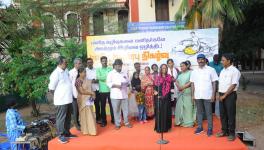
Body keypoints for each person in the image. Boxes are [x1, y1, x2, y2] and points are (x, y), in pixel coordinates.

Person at [48, 56, 77, 144]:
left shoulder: (66, 70)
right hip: (61, 101)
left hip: (68, 99)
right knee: (61, 118)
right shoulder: (55, 74)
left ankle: (67, 133)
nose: (67, 64)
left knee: (68, 117)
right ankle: (60, 136)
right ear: (60, 63)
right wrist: (59, 96)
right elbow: (51, 89)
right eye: (65, 62)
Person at [190, 54, 218, 137]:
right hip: (198, 95)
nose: (201, 61)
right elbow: (192, 83)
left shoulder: (211, 70)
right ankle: (200, 127)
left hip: (208, 95)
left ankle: (210, 128)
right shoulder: (194, 71)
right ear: (197, 61)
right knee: (199, 112)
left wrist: (213, 94)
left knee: (209, 112)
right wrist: (192, 95)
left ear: (205, 60)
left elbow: (214, 82)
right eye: (199, 59)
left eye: (202, 59)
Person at [216, 53, 241, 141]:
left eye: (223, 60)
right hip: (221, 94)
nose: (221, 61)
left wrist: (225, 95)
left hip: (230, 95)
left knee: (230, 114)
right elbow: (221, 84)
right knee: (223, 114)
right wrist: (219, 95)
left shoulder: (235, 71)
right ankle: (224, 131)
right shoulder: (223, 71)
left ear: (229, 61)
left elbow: (233, 85)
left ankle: (231, 133)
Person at [106, 59, 132, 130]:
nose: (119, 67)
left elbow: (128, 81)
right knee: (116, 110)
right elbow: (108, 83)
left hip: (124, 94)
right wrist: (116, 86)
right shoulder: (110, 73)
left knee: (126, 109)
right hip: (115, 95)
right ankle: (117, 124)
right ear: (114, 66)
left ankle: (126, 122)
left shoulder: (124, 73)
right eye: (117, 65)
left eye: (120, 65)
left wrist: (127, 84)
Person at [75, 67, 97, 135]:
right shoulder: (78, 81)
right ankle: (85, 130)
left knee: (90, 114)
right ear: (79, 73)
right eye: (84, 72)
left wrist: (93, 94)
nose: (85, 73)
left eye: (85, 72)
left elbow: (91, 89)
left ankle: (92, 130)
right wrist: (91, 93)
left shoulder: (87, 80)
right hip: (82, 99)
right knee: (84, 115)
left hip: (89, 100)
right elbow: (81, 91)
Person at [175, 62, 195, 127]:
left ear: (187, 66)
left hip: (188, 93)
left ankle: (189, 122)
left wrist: (183, 87)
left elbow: (191, 81)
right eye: (180, 66)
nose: (181, 67)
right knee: (180, 108)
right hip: (181, 93)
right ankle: (180, 121)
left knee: (188, 108)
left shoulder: (191, 73)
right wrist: (178, 86)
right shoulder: (180, 75)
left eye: (183, 66)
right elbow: (176, 81)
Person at [96, 56, 115, 127]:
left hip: (110, 90)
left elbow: (111, 77)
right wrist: (107, 76)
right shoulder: (98, 69)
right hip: (102, 90)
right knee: (102, 107)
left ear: (107, 61)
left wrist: (103, 78)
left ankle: (113, 120)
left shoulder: (110, 69)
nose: (104, 62)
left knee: (112, 106)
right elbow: (98, 77)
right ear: (101, 62)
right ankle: (104, 121)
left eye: (105, 61)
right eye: (103, 61)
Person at [154, 64, 172, 133]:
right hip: (159, 97)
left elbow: (172, 87)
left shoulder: (169, 77)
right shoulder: (158, 77)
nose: (164, 69)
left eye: (165, 68)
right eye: (162, 68)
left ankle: (166, 127)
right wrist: (155, 92)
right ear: (160, 69)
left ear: (167, 69)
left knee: (166, 111)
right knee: (159, 112)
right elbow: (155, 87)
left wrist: (167, 94)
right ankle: (159, 128)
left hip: (167, 97)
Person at [86, 58, 101, 124]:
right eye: (88, 62)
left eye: (91, 62)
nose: (90, 63)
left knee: (97, 105)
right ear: (86, 63)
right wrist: (91, 81)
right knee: (89, 105)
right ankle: (90, 120)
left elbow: (98, 78)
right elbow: (85, 80)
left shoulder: (96, 70)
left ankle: (98, 118)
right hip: (89, 91)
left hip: (97, 90)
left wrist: (96, 80)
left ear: (93, 63)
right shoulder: (85, 70)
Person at [69, 58, 82, 131]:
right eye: (79, 63)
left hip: (81, 94)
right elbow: (70, 85)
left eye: (81, 63)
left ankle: (79, 122)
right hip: (74, 94)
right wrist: (71, 95)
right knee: (75, 110)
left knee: (80, 110)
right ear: (75, 64)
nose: (80, 64)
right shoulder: (71, 72)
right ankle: (76, 124)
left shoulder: (81, 72)